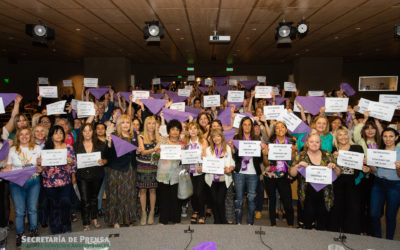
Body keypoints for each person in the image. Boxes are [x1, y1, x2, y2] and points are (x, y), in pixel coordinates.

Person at [290, 132, 341, 230]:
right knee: (308, 222)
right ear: (307, 143)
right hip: (307, 194)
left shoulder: (327, 155)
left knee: (323, 222)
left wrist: (334, 167)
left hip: (325, 194)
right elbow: (292, 174)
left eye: (317, 142)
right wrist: (297, 166)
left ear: (320, 143)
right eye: (311, 141)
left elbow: (338, 173)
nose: (314, 144)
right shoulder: (301, 155)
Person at [3, 128, 42, 246]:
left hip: (33, 182)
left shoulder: (37, 148)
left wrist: (41, 167)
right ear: (18, 136)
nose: (24, 136)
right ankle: (19, 233)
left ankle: (33, 230)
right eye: (21, 134)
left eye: (26, 134)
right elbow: (8, 168)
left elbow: (41, 167)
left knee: (32, 209)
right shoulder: (13, 150)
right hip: (16, 184)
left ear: (30, 136)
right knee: (19, 211)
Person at [39, 125, 77, 234]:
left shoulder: (69, 147)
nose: (59, 135)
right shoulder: (45, 149)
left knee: (65, 203)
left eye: (61, 133)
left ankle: (66, 228)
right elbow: (42, 169)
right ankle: (56, 229)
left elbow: (74, 165)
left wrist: (71, 162)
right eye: (56, 133)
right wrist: (40, 164)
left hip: (65, 181)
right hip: (49, 183)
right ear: (51, 136)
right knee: (54, 206)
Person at [330, 126, 365, 234]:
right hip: (338, 182)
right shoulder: (333, 149)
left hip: (353, 182)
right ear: (336, 137)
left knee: (353, 208)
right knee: (338, 207)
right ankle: (337, 230)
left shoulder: (357, 148)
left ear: (348, 135)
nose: (343, 137)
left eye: (345, 134)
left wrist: (365, 166)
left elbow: (362, 166)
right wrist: (333, 158)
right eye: (340, 134)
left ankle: (352, 232)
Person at [105, 114, 138, 228]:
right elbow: (107, 155)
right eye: (123, 122)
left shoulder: (134, 137)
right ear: (119, 124)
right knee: (116, 195)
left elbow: (135, 153)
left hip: (130, 170)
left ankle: (127, 218)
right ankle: (115, 220)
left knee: (129, 194)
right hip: (116, 170)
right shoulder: (113, 136)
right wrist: (109, 144)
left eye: (127, 122)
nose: (125, 125)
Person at [230, 117, 264, 225]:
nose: (247, 127)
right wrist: (233, 149)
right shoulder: (236, 137)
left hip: (253, 173)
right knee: (239, 199)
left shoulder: (257, 139)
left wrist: (261, 150)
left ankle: (250, 223)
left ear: (252, 127)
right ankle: (238, 222)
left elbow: (260, 160)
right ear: (241, 126)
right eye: (245, 124)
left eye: (249, 124)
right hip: (239, 172)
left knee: (251, 199)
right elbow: (235, 158)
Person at [368, 128, 400, 240]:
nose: (388, 139)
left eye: (391, 136)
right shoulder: (378, 151)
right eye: (385, 136)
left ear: (396, 137)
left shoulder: (399, 151)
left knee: (390, 216)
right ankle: (377, 238)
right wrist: (370, 164)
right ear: (382, 137)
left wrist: (398, 168)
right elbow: (374, 171)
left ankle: (389, 240)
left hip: (395, 185)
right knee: (374, 213)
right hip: (378, 184)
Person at [74, 123, 107, 231]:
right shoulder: (76, 145)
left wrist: (103, 161)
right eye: (85, 131)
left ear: (93, 132)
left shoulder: (100, 144)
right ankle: (86, 222)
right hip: (82, 176)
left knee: (94, 198)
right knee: (84, 199)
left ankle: (94, 218)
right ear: (82, 133)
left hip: (97, 174)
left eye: (89, 130)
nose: (87, 133)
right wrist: (71, 163)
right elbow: (73, 161)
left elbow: (107, 158)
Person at [262, 121, 296, 227]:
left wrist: (293, 152)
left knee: (287, 200)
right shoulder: (270, 143)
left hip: (284, 174)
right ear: (275, 131)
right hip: (271, 174)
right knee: (272, 200)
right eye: (277, 128)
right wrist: (264, 155)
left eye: (282, 127)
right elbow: (266, 163)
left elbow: (292, 161)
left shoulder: (292, 142)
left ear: (286, 129)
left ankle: (290, 224)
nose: (280, 129)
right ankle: (273, 224)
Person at [156, 119, 185, 225]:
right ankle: (163, 220)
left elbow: (185, 161)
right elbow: (153, 157)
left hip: (176, 175)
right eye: (173, 129)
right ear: (169, 130)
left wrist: (184, 156)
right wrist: (157, 154)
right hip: (163, 173)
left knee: (176, 199)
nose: (175, 132)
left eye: (177, 130)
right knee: (163, 198)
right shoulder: (162, 141)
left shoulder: (182, 143)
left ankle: (176, 219)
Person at [137, 116, 160, 225]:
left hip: (154, 166)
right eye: (149, 123)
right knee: (142, 190)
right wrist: (154, 149)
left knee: (152, 190)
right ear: (146, 125)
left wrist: (157, 153)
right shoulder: (140, 136)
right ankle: (143, 213)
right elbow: (143, 152)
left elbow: (159, 154)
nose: (151, 126)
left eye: (153, 123)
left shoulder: (158, 137)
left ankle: (151, 212)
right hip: (142, 166)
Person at [183, 122, 208, 224]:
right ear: (188, 131)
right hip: (189, 172)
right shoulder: (185, 143)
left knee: (199, 193)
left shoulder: (203, 141)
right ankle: (195, 211)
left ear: (198, 130)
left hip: (200, 171)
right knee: (192, 193)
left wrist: (203, 156)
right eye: (190, 129)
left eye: (195, 128)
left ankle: (202, 213)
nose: (193, 130)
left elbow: (207, 156)